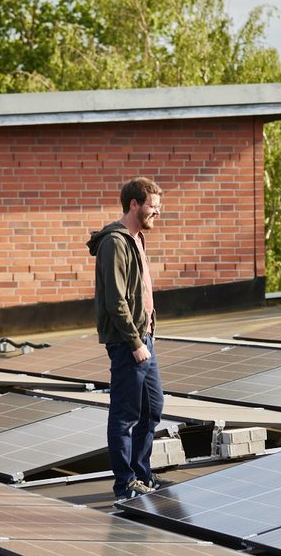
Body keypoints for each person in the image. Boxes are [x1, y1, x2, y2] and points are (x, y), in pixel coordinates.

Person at [86, 177, 165, 502]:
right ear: (134, 204)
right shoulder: (115, 243)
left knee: (153, 408)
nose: (156, 214)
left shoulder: (136, 238)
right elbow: (116, 300)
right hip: (128, 343)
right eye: (152, 207)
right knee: (125, 415)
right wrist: (135, 343)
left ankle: (141, 473)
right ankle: (125, 483)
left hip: (146, 339)